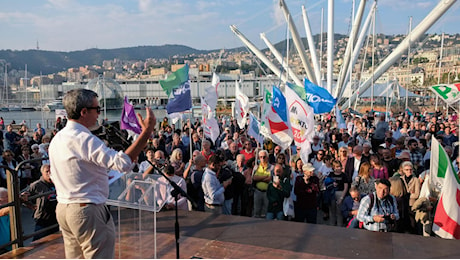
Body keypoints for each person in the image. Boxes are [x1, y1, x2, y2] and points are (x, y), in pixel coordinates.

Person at [49, 88, 156, 259]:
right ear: (84, 112)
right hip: (86, 210)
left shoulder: (58, 139)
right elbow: (122, 163)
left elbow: (60, 174)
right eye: (97, 109)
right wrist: (146, 133)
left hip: (64, 208)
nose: (99, 114)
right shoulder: (84, 139)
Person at [21, 164, 58, 241]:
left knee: (55, 238)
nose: (49, 173)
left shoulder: (57, 182)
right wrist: (31, 205)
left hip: (56, 216)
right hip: (43, 218)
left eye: (51, 171)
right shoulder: (37, 185)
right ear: (42, 173)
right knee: (39, 240)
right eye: (47, 171)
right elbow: (23, 195)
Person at [0, 187, 11, 254]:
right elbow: (2, 212)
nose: (9, 199)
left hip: (8, 247)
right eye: (6, 197)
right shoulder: (6, 210)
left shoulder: (9, 211)